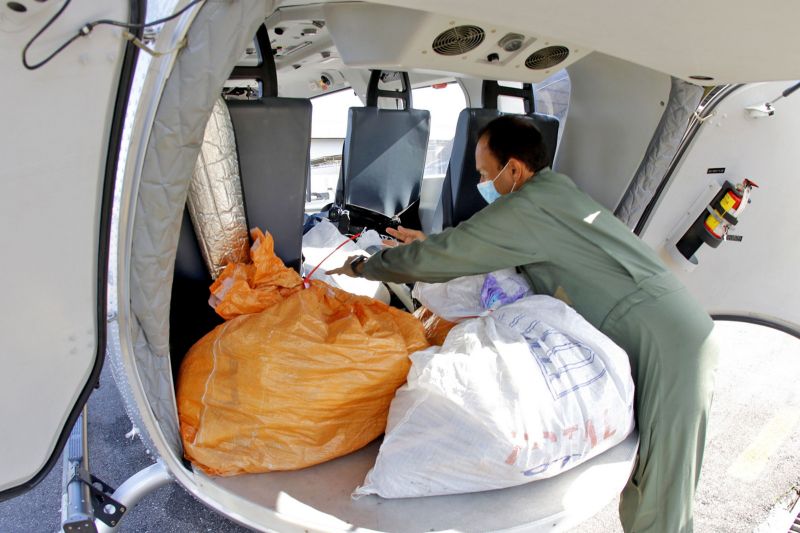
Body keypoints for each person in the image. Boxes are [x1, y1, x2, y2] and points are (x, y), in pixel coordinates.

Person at [328, 115, 718, 533]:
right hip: (662, 323)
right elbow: (485, 250)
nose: (481, 182)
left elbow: (451, 255)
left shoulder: (528, 206)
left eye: (484, 173)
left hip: (666, 340)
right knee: (654, 483)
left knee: (661, 494)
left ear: (513, 169)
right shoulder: (555, 194)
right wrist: (430, 245)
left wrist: (368, 266)